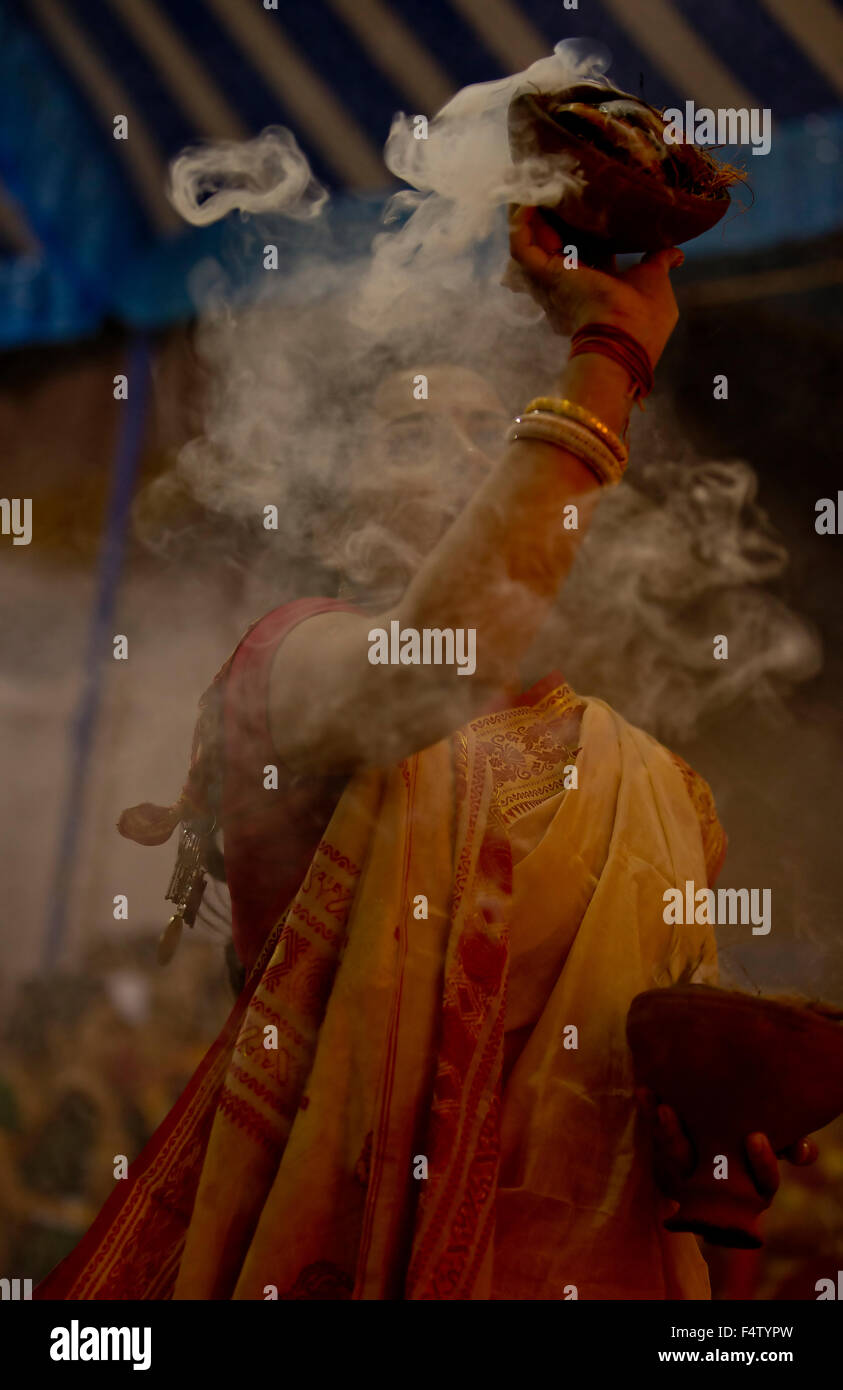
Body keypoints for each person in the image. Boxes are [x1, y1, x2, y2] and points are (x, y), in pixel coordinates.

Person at [35, 207, 815, 1302]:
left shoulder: (652, 783)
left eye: (487, 435)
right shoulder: (293, 663)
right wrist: (607, 362)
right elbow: (419, 671)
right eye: (409, 436)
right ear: (350, 501)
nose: (468, 461)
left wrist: (716, 1175)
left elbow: (666, 1124)